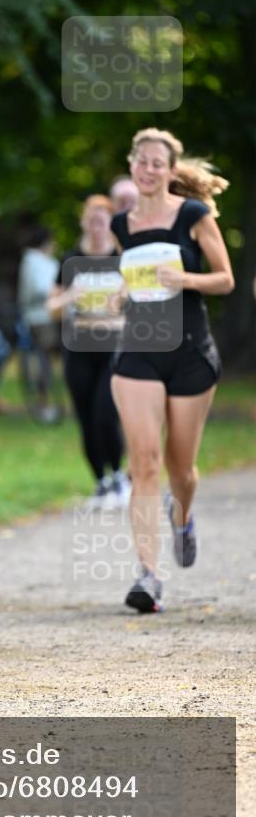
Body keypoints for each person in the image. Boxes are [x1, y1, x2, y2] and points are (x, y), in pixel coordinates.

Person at [109, 128, 234, 613]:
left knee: (181, 470)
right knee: (144, 463)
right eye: (140, 161)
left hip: (189, 352)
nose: (147, 169)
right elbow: (130, 280)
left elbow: (224, 278)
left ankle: (182, 518)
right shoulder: (123, 225)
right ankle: (149, 575)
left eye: (157, 162)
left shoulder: (194, 216)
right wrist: (120, 294)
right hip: (138, 351)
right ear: (132, 164)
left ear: (170, 169)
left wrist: (185, 278)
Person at [47, 195, 130, 509]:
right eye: (92, 219)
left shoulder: (122, 260)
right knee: (86, 418)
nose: (97, 226)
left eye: (103, 219)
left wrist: (117, 311)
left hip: (113, 349)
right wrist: (70, 296)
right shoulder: (71, 260)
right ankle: (101, 482)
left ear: (111, 223)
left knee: (105, 414)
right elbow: (51, 307)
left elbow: (141, 308)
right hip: (78, 350)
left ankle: (119, 475)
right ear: (83, 221)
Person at [17, 225, 61, 422]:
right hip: (39, 318)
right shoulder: (33, 261)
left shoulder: (40, 261)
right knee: (43, 362)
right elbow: (41, 289)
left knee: (46, 362)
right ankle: (44, 404)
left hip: (49, 316)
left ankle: (48, 403)